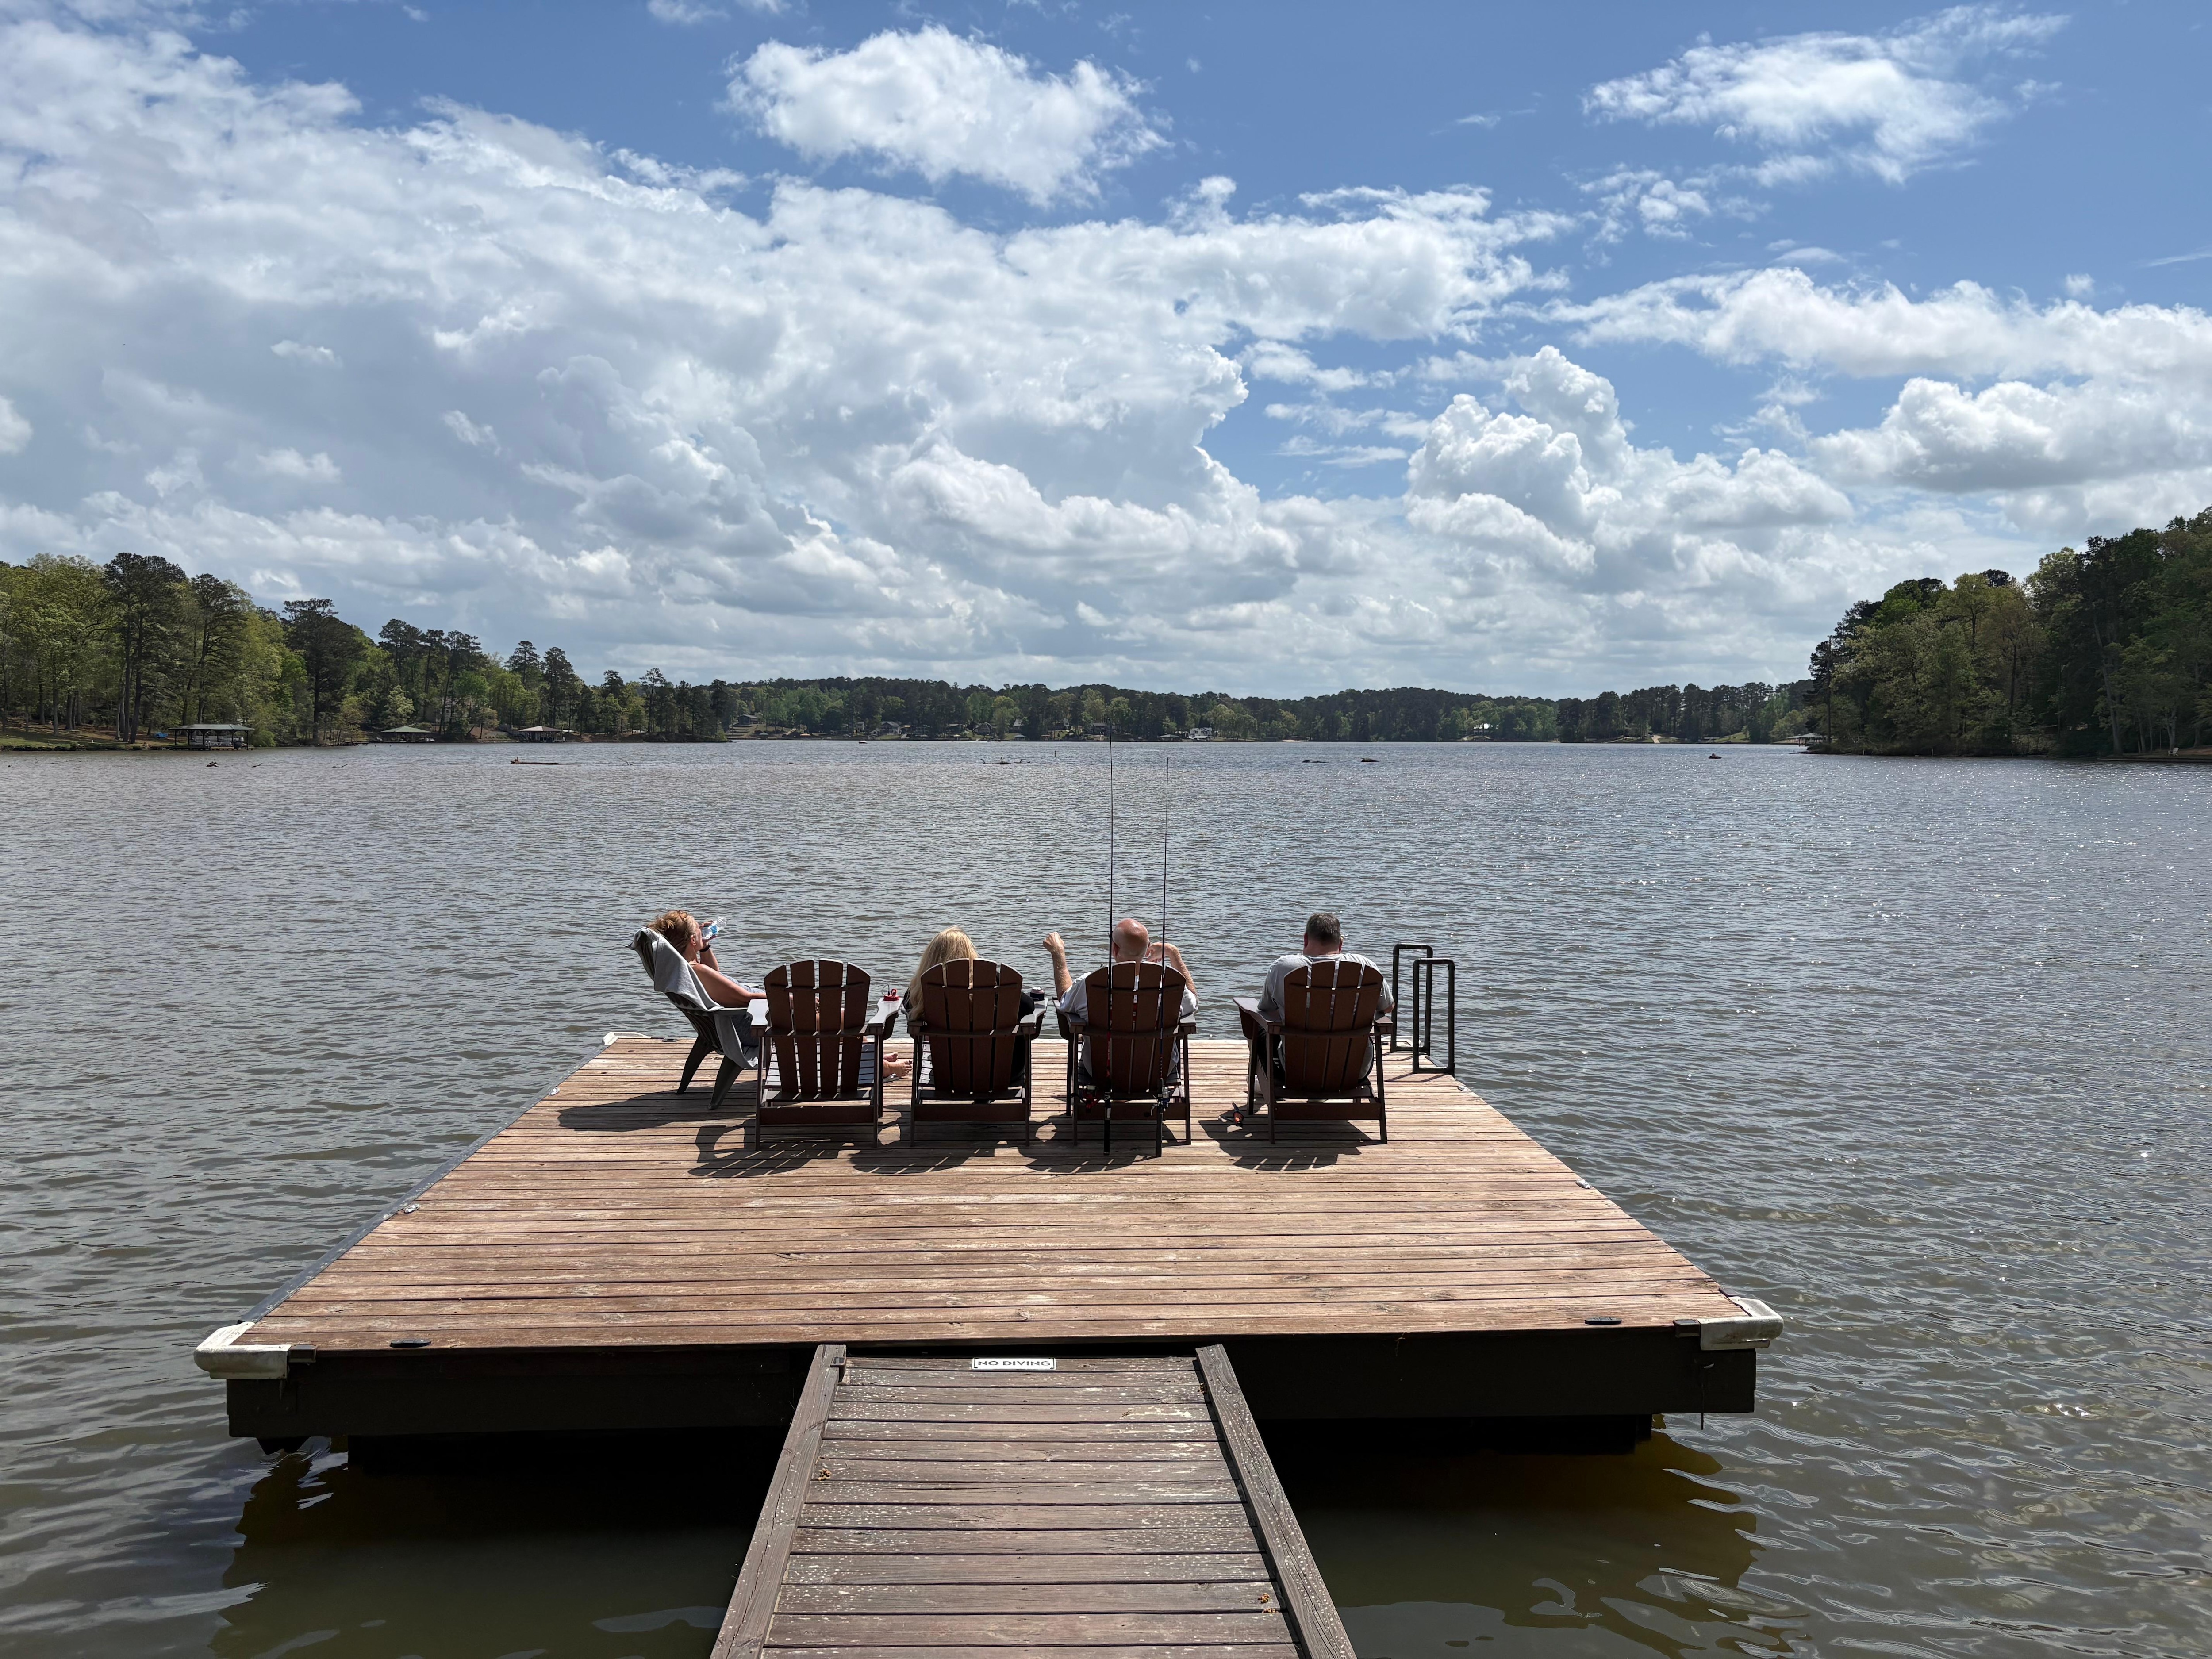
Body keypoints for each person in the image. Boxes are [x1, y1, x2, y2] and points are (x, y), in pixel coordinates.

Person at [1235, 910, 1394, 1125]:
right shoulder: (1365, 966)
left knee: (1257, 1024)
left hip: (1296, 1070)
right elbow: (1389, 1007)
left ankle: (1264, 1082)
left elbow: (1265, 1008)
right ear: (1341, 942)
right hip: (1354, 1070)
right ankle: (1316, 1091)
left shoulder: (1284, 967)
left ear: (1305, 939)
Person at [1043, 918, 1197, 1080]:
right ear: (1147, 949)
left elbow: (1065, 999)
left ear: (1114, 949)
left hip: (1102, 1072)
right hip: (1158, 1072)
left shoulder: (1091, 984)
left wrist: (1058, 954)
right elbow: (1193, 1001)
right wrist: (1173, 952)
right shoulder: (1171, 985)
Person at [902, 926, 1043, 1086]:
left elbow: (908, 1005)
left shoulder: (921, 992)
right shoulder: (992, 983)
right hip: (1002, 1074)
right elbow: (1028, 1006)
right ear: (970, 953)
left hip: (948, 1073)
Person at [646, 910, 757, 1008]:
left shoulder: (686, 970)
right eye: (698, 927)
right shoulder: (699, 971)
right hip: (757, 1014)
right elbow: (747, 998)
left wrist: (704, 946)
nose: (702, 928)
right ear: (693, 940)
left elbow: (715, 975)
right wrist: (770, 994)